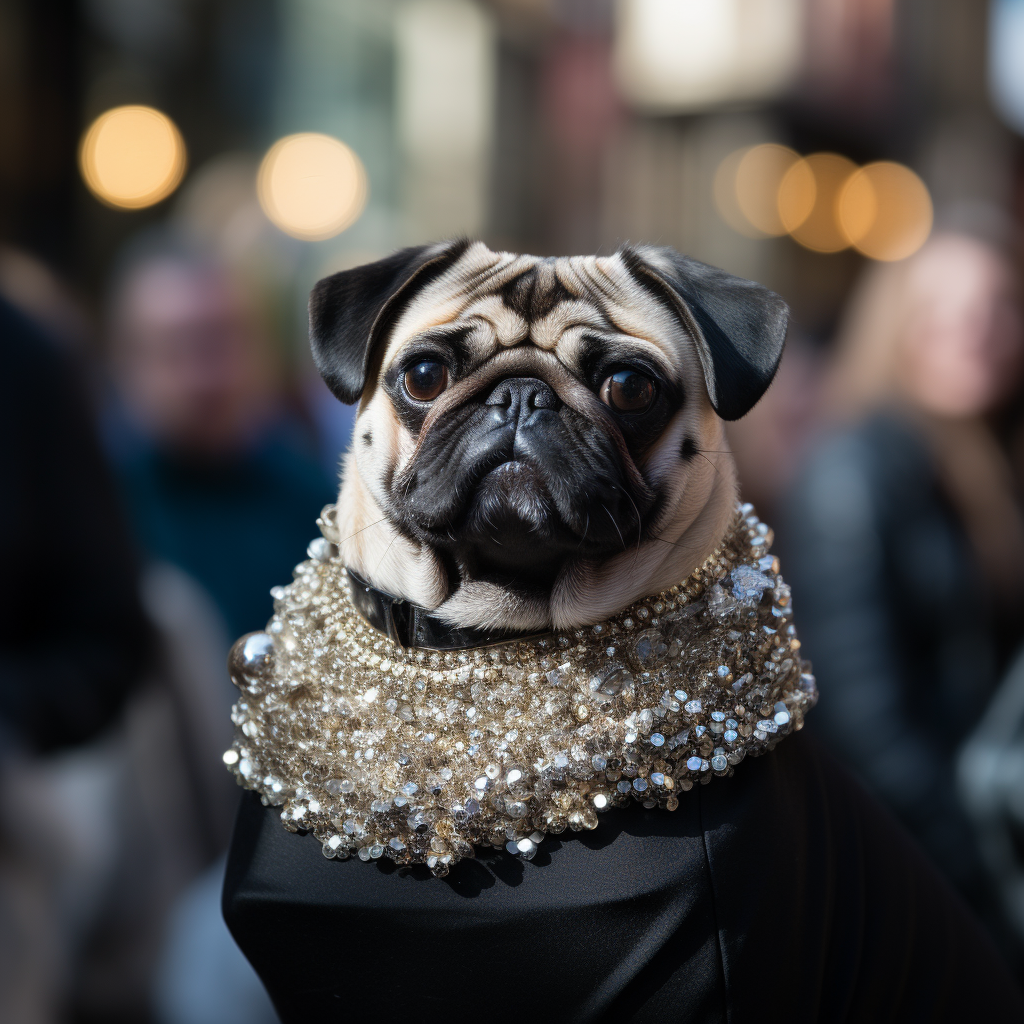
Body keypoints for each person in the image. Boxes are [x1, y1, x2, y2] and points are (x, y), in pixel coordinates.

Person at [784, 231, 1024, 928]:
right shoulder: (852, 472)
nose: (971, 331)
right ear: (895, 324)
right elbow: (866, 723)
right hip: (916, 866)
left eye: (996, 306)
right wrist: (974, 865)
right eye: (940, 307)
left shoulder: (988, 462)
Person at [107, 239, 336, 643]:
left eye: (221, 342)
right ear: (126, 359)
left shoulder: (316, 504)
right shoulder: (94, 506)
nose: (203, 378)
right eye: (177, 349)